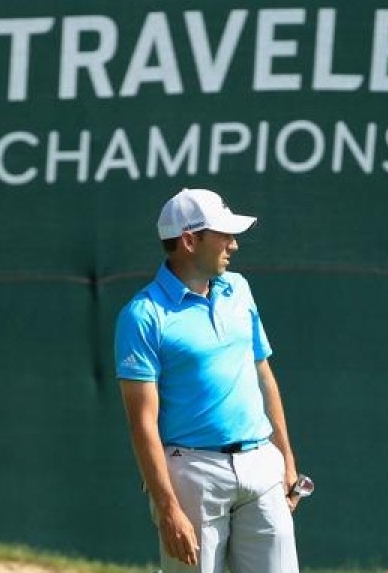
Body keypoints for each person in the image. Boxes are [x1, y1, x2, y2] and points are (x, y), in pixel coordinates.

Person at [114, 188, 302, 573]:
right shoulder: (143, 315)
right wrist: (168, 509)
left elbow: (262, 375)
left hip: (261, 465)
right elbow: (142, 423)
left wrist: (285, 460)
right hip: (192, 476)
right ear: (188, 240)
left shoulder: (240, 289)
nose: (233, 245)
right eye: (224, 235)